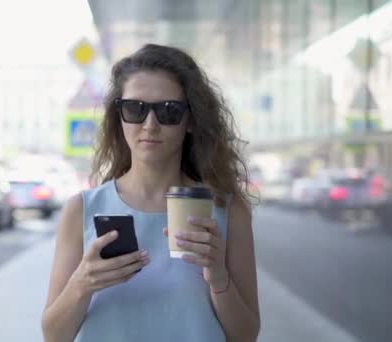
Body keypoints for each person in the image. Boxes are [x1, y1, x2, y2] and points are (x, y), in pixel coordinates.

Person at [42, 44, 260, 342]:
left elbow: (246, 336)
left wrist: (219, 277)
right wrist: (83, 282)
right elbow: (53, 336)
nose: (150, 124)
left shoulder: (226, 210)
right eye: (135, 109)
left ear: (191, 120)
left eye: (169, 111)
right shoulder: (81, 210)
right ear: (118, 117)